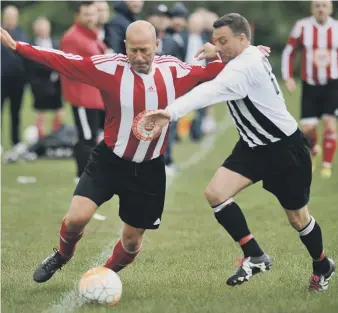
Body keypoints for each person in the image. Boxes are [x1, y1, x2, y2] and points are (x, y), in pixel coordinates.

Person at [0, 20, 231, 284]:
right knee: (76, 218)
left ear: (157, 45)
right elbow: (64, 60)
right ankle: (62, 255)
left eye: (145, 50)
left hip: (149, 169)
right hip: (109, 160)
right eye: (133, 50)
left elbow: (224, 71)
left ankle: (104, 276)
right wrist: (19, 47)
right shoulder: (109, 68)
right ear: (125, 47)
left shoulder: (174, 71)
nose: (139, 57)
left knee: (132, 243)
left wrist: (229, 54)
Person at [142, 13, 335, 291]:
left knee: (297, 218)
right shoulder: (247, 56)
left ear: (243, 38)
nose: (218, 47)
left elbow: (209, 91)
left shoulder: (242, 68)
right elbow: (238, 58)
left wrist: (170, 112)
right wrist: (219, 52)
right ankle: (255, 255)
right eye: (215, 41)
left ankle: (322, 265)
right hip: (253, 146)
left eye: (224, 41)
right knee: (216, 193)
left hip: (285, 149)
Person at [282, 0, 338, 179]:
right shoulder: (302, 26)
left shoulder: (336, 28)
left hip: (332, 84)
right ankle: (314, 149)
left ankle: (326, 166)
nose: (321, 9)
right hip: (310, 84)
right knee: (307, 129)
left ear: (331, 9)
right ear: (312, 9)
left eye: (324, 5)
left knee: (330, 123)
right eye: (317, 6)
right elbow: (289, 51)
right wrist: (288, 76)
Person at [60, 1, 107, 182]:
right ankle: (82, 175)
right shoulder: (72, 37)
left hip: (95, 95)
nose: (90, 18)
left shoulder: (92, 35)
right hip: (81, 96)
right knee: (86, 137)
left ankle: (90, 172)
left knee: (93, 135)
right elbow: (70, 68)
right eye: (86, 14)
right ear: (77, 16)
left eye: (92, 14)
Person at [27, 17, 64, 139]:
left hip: (56, 83)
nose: (43, 30)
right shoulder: (31, 44)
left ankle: (58, 135)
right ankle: (40, 137)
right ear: (35, 29)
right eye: (40, 27)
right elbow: (31, 64)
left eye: (45, 27)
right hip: (40, 83)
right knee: (41, 110)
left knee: (58, 108)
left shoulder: (56, 43)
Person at [1, 5, 28, 154]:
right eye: (8, 16)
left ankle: (16, 141)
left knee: (16, 112)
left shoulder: (21, 33)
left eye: (14, 17)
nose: (11, 20)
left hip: (17, 81)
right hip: (1, 80)